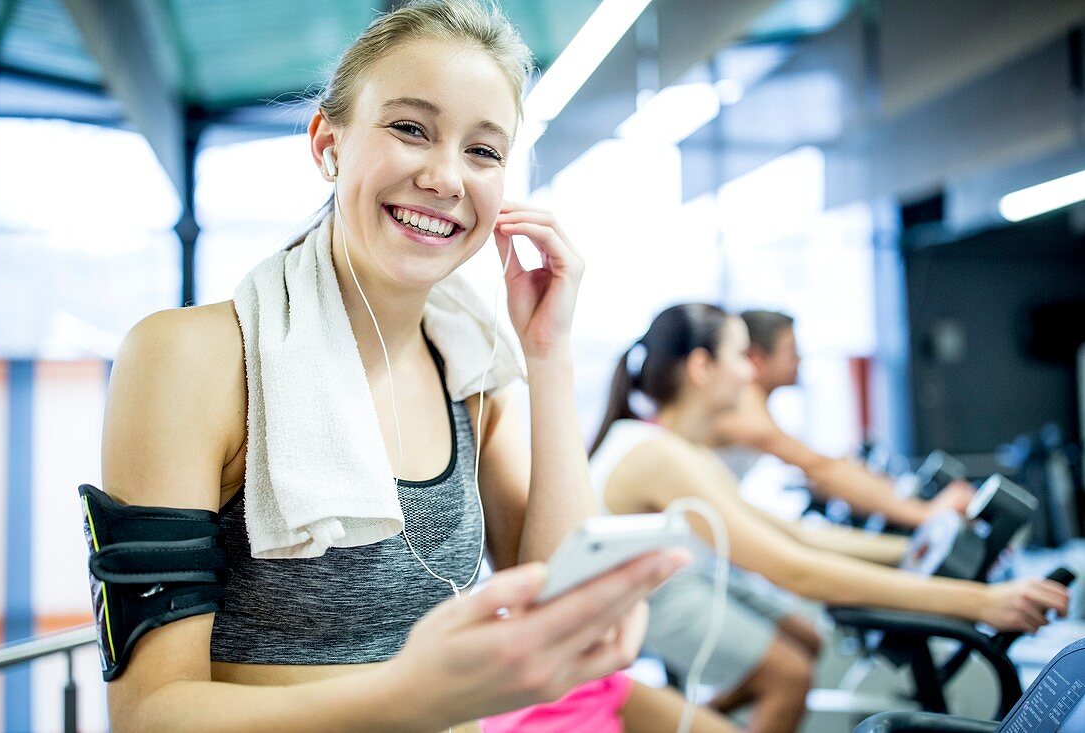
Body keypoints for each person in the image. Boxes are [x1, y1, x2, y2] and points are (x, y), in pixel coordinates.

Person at [93, 3, 687, 732]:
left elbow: (559, 602)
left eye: (484, 151)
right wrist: (417, 694)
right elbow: (148, 713)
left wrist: (548, 354)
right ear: (327, 144)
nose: (444, 177)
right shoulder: (193, 358)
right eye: (410, 128)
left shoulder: (473, 371)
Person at [588, 304, 1070, 733]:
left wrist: (911, 547)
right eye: (740, 357)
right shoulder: (660, 455)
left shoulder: (677, 451)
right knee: (789, 677)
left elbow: (790, 534)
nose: (747, 373)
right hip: (636, 608)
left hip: (655, 592)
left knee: (805, 643)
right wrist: (980, 602)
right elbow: (795, 568)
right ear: (701, 367)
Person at [711, 309, 973, 528]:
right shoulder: (744, 412)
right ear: (756, 358)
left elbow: (822, 468)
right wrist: (923, 513)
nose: (799, 358)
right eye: (790, 350)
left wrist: (895, 492)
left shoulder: (755, 408)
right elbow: (822, 469)